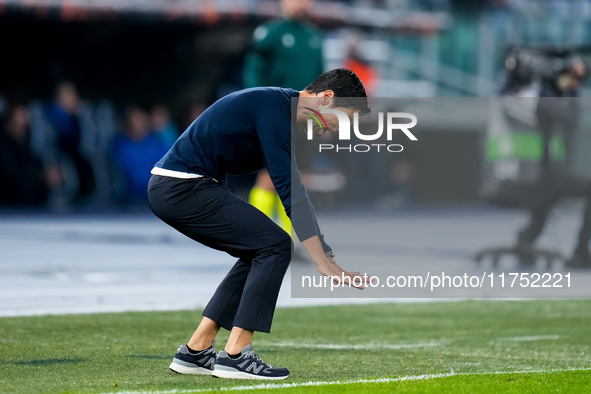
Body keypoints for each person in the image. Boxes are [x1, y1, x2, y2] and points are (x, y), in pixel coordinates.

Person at [147, 68, 370, 380]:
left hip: (182, 186)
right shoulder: (276, 109)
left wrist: (324, 254)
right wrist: (323, 260)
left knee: (260, 249)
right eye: (342, 120)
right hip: (182, 187)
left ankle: (196, 350)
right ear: (327, 99)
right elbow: (290, 190)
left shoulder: (283, 112)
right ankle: (237, 354)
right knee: (276, 245)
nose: (335, 131)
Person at [243, 0, 324, 238]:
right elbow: (253, 73)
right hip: (275, 114)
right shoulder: (270, 33)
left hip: (305, 116)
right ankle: (256, 236)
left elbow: (322, 79)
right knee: (269, 175)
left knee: (300, 177)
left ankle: (292, 240)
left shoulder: (315, 37)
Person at [112, 106, 171, 202]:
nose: (134, 123)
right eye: (131, 119)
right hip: (126, 200)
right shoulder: (119, 145)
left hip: (155, 198)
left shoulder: (158, 144)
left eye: (139, 119)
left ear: (146, 120)